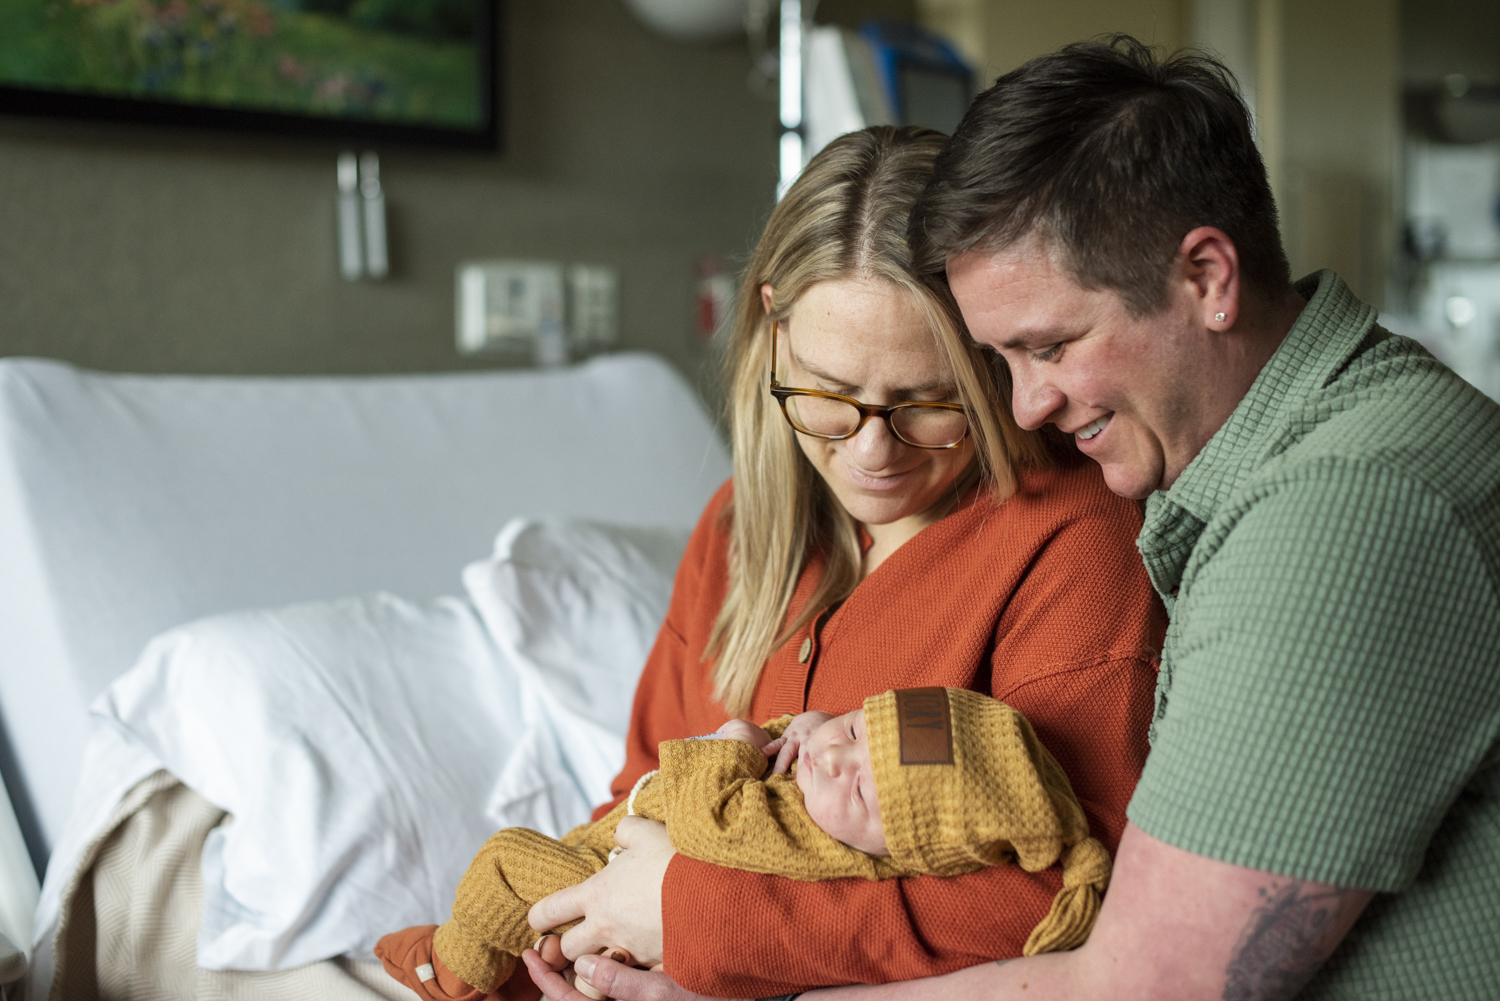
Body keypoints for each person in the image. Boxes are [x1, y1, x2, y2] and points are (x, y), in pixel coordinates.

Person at [534, 36, 1500, 1001]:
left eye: (1046, 347)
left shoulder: (1336, 514)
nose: (1029, 407)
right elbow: (641, 800)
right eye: (1005, 362)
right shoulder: (1260, 483)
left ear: (1208, 277)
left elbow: (1144, 977)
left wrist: (721, 943)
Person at [516, 125, 1165, 1000]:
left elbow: (1062, 895)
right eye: (826, 395)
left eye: (930, 403)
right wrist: (581, 941)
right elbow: (640, 793)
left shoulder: (1077, 546)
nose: (872, 454)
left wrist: (704, 920)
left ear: (993, 361)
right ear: (774, 331)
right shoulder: (740, 531)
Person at [376, 690, 1110, 1001]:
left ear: (900, 850)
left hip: (611, 888)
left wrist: (733, 742)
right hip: (620, 871)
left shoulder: (808, 840)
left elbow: (712, 818)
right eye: (855, 728)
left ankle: (452, 969)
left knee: (506, 861)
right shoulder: (834, 797)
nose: (831, 758)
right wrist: (814, 722)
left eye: (861, 791)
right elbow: (840, 750)